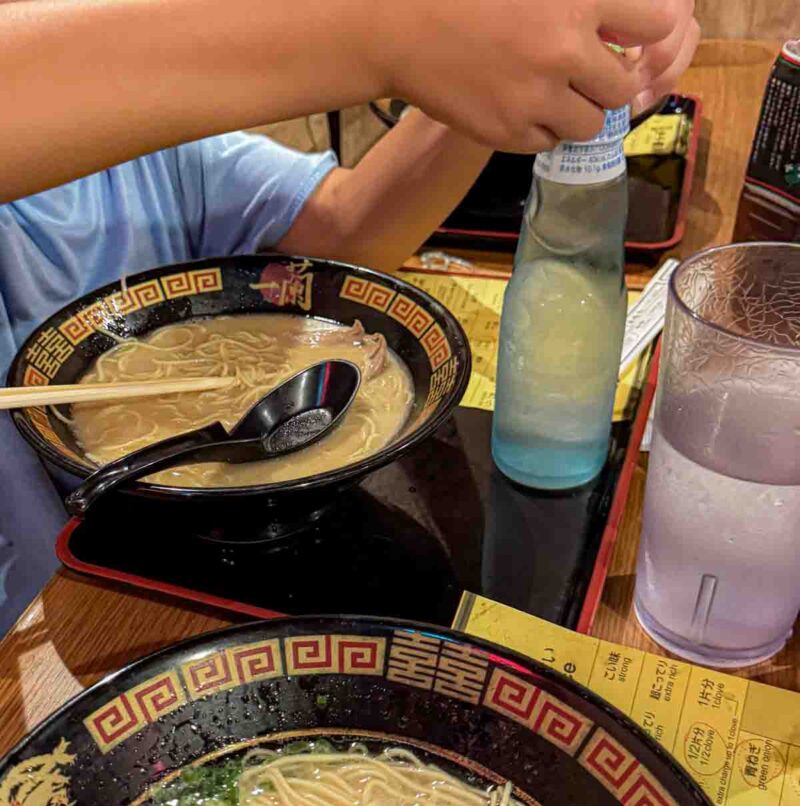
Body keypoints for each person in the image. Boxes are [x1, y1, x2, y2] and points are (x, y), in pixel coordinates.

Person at [0, 0, 699, 635]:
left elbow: (346, 229)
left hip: (173, 582)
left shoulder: (139, 134)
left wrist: (495, 82)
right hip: (38, 626)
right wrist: (400, 29)